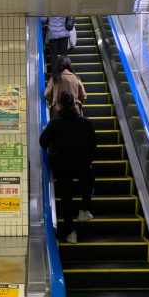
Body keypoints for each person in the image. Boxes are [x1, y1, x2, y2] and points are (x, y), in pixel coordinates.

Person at [39, 91, 96, 244]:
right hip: (83, 164)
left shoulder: (55, 123)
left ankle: (71, 233)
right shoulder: (86, 122)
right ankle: (84, 209)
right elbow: (93, 147)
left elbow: (43, 142)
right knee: (88, 182)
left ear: (59, 106)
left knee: (66, 198)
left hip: (62, 165)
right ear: (73, 104)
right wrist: (87, 160)